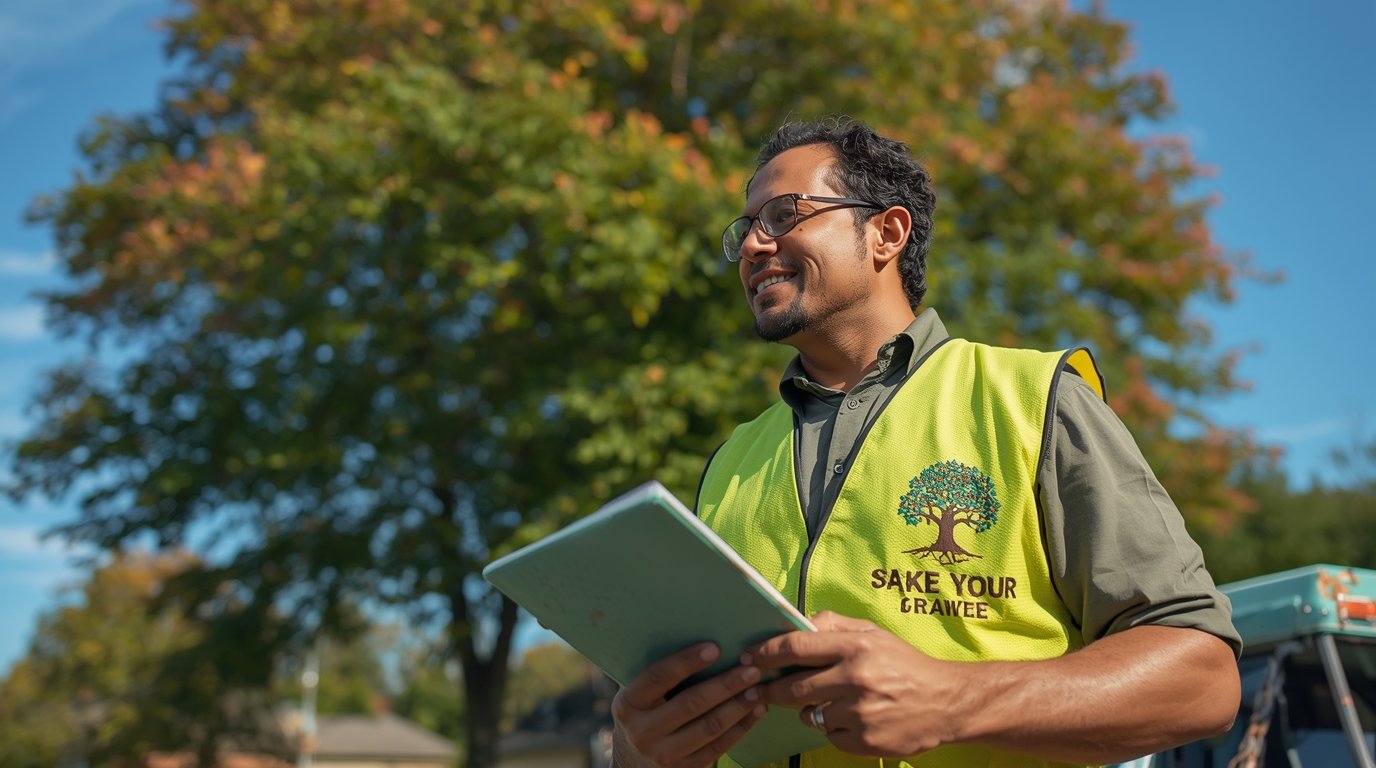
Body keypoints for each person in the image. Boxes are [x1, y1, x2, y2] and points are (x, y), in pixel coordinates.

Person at [610, 117, 1241, 768]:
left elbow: (1203, 678)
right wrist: (640, 745)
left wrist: (953, 701)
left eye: (781, 214)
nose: (751, 246)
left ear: (886, 232)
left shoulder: (1032, 399)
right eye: (745, 230)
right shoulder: (729, 465)